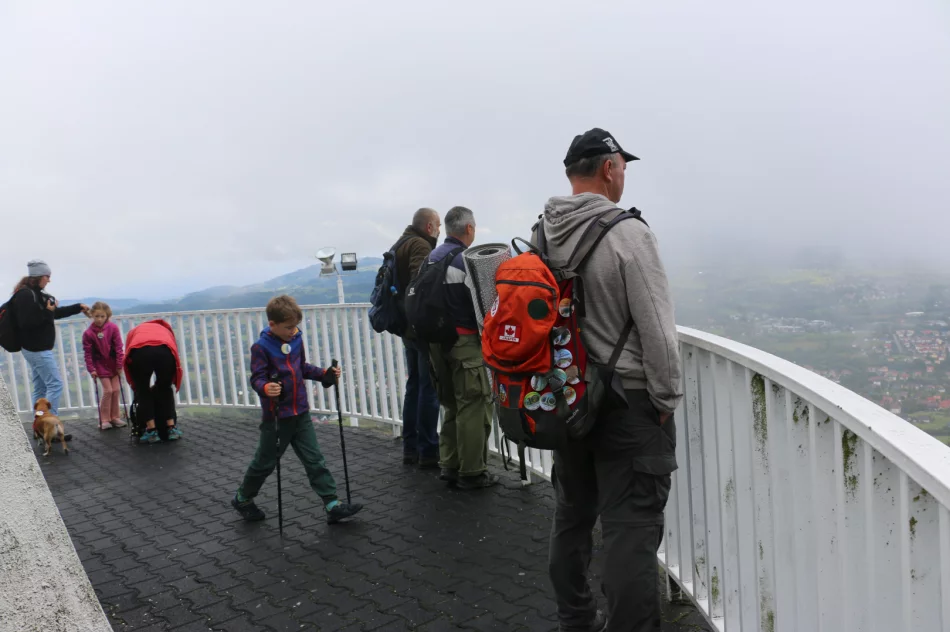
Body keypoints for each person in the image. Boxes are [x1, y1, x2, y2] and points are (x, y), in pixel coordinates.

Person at [538, 128, 683, 632]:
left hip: (568, 397)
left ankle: (576, 617)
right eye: (623, 164)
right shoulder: (627, 234)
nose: (625, 174)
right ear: (608, 168)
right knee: (630, 533)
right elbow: (659, 332)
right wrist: (665, 400)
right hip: (627, 404)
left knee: (573, 514)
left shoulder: (544, 231)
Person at [231, 295, 363, 525]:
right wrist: (265, 387)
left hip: (300, 412)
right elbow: (257, 378)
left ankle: (332, 504)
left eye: (295, 326)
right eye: (288, 327)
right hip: (277, 417)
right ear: (272, 324)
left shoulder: (296, 340)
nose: (293, 331)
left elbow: (301, 367)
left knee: (315, 460)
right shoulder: (261, 347)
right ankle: (243, 498)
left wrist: (324, 374)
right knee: (264, 463)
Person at [427, 206, 497, 490]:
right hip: (465, 343)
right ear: (469, 229)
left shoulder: (431, 258)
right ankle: (472, 472)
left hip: (437, 344)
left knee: (452, 405)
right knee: (473, 405)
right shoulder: (463, 261)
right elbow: (483, 305)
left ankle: (450, 464)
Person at [395, 208, 442, 467]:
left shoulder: (401, 242)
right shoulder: (421, 246)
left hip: (405, 327)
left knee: (413, 386)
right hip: (418, 328)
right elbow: (419, 285)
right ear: (429, 227)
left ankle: (410, 447)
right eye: (437, 226)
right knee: (429, 387)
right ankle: (428, 450)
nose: (439, 231)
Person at [12, 260, 89, 417]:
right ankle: (49, 423)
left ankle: (39, 423)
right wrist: (47, 312)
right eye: (47, 276)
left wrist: (77, 307)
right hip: (37, 349)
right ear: (39, 276)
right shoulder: (26, 295)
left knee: (40, 388)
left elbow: (53, 313)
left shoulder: (33, 294)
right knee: (55, 384)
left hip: (34, 348)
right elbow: (27, 323)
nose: (49, 280)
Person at [124, 319, 183, 443]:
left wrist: (138, 386)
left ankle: (151, 431)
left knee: (143, 391)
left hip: (140, 352)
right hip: (164, 351)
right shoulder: (166, 330)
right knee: (165, 388)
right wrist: (159, 386)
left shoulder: (134, 331)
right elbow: (174, 352)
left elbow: (128, 354)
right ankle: (171, 428)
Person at [82, 301, 127, 430]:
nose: (100, 319)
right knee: (108, 391)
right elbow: (88, 354)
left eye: (102, 316)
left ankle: (115, 417)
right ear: (92, 316)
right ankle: (104, 419)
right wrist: (92, 369)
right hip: (100, 366)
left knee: (116, 390)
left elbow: (119, 347)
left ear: (107, 316)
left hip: (114, 364)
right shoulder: (88, 334)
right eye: (97, 316)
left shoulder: (113, 328)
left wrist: (119, 365)